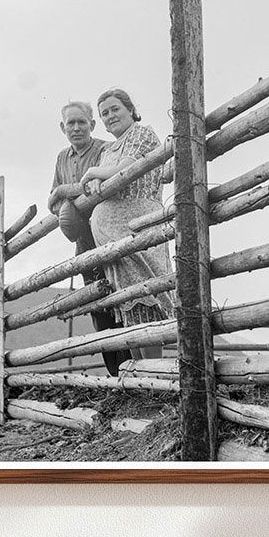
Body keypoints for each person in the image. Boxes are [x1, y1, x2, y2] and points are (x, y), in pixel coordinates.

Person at [81, 88, 174, 360]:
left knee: (148, 298)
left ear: (130, 109)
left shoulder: (142, 134)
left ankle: (155, 374)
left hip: (139, 226)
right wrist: (98, 177)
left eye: (115, 109)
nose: (110, 116)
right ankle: (140, 376)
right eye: (104, 113)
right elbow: (104, 183)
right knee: (128, 304)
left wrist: (92, 173)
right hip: (112, 237)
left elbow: (123, 171)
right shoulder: (108, 150)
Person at [48, 100, 130, 377]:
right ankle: (115, 374)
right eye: (70, 123)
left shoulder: (104, 149)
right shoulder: (61, 158)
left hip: (107, 233)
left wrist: (64, 191)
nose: (76, 127)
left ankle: (135, 368)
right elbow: (52, 202)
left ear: (92, 125)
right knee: (98, 304)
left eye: (81, 121)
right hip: (83, 242)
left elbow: (98, 189)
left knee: (122, 297)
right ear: (62, 128)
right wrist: (66, 202)